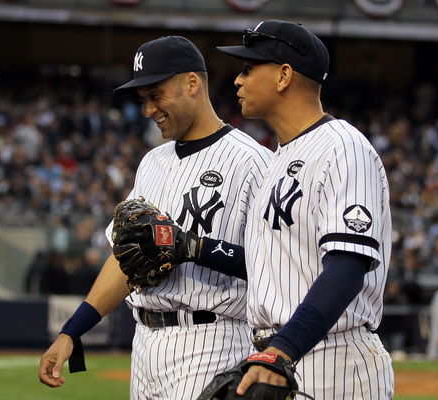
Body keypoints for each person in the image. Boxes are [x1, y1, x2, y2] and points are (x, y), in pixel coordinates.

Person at [38, 36, 271, 400]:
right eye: (143, 99)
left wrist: (193, 247)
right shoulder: (153, 163)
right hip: (145, 344)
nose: (148, 110)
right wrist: (72, 330)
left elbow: (275, 265)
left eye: (156, 95)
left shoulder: (253, 162)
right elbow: (126, 257)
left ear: (192, 84)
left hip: (213, 340)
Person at [174, 20, 394, 399]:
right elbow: (268, 266)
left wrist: (282, 350)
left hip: (331, 360)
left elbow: (347, 268)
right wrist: (189, 246)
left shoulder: (343, 147)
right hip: (279, 356)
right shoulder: (276, 158)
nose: (237, 81)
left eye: (248, 69)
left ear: (283, 76)